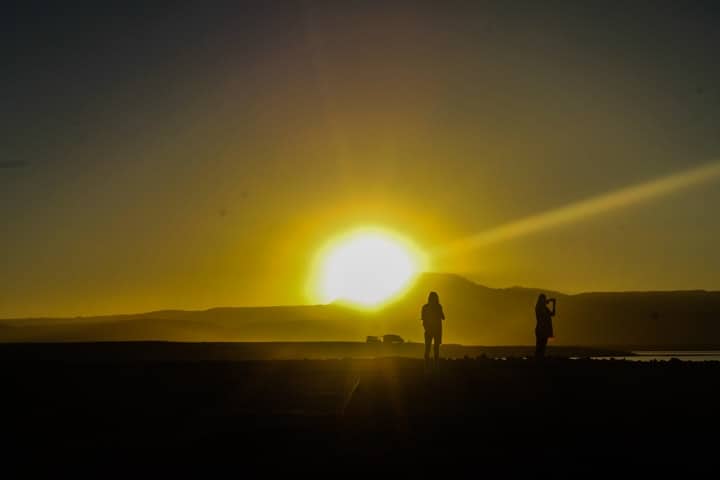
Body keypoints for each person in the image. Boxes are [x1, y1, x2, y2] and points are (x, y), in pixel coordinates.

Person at [421, 291, 445, 369]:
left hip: (429, 330)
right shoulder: (438, 307)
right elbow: (443, 317)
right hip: (437, 330)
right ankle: (435, 366)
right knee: (435, 349)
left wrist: (426, 328)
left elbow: (423, 320)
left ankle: (426, 366)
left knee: (427, 349)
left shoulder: (425, 307)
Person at [534, 293, 556, 361]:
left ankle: (540, 359)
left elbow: (553, 314)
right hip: (540, 329)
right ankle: (537, 360)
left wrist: (554, 304)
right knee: (539, 346)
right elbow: (540, 308)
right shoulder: (538, 307)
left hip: (545, 329)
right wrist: (548, 301)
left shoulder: (545, 308)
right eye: (543, 299)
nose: (544, 300)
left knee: (543, 346)